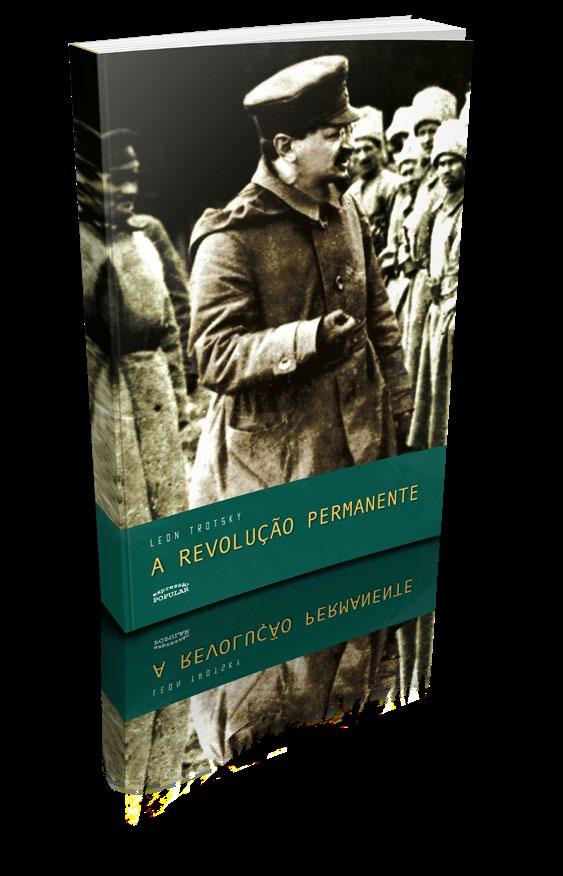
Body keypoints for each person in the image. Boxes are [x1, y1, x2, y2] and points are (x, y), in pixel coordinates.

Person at [186, 55, 414, 766]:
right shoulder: (232, 236)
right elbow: (213, 356)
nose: (347, 142)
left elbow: (380, 318)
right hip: (272, 469)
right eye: (331, 132)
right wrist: (303, 340)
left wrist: (401, 413)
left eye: (344, 128)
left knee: (351, 626)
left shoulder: (346, 209)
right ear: (284, 146)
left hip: (355, 450)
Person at [75, 121, 192, 527]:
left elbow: (170, 323)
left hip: (155, 390)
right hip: (111, 394)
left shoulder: (145, 238)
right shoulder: (87, 245)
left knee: (169, 502)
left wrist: (180, 395)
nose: (128, 190)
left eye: (134, 179)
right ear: (89, 180)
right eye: (117, 179)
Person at [408, 119, 466, 451]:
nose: (445, 170)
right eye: (440, 163)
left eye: (452, 162)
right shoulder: (440, 209)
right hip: (438, 308)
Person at [347, 107, 403, 255]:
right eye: (357, 151)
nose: (363, 156)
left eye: (368, 149)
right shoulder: (352, 192)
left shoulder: (393, 184)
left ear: (379, 150)